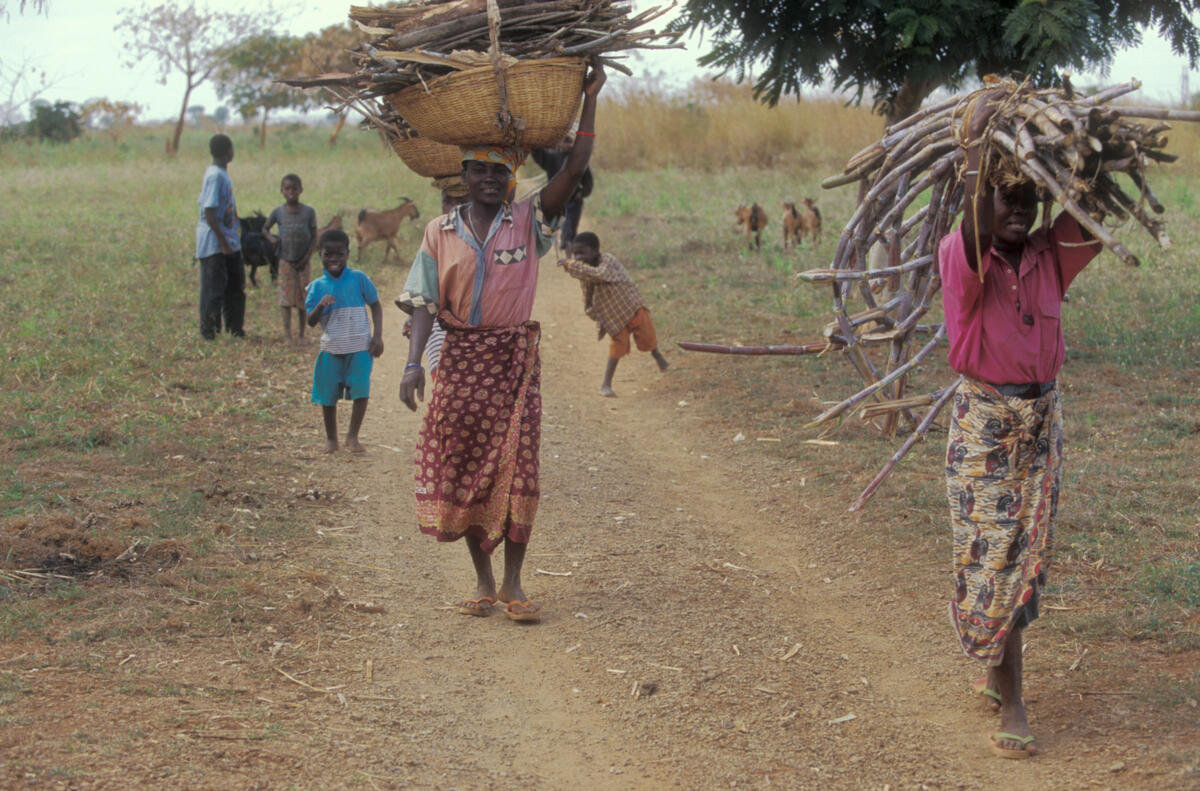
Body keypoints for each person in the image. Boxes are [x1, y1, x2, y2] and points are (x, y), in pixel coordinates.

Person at [396, 63, 606, 623]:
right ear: (463, 175)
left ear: (511, 177)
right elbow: (421, 301)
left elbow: (577, 165)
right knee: (465, 470)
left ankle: (514, 583)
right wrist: (413, 364)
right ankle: (483, 581)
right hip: (460, 363)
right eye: (479, 170)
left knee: (518, 470)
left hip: (514, 361)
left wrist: (590, 99)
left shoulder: (529, 220)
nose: (490, 179)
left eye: (499, 171)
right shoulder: (439, 233)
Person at [938, 93, 1101, 759]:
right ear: (980, 200)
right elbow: (976, 217)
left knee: (1025, 558)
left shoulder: (1049, 255)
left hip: (1041, 423)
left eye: (1028, 199)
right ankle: (1014, 698)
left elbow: (1095, 210)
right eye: (1004, 199)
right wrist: (983, 150)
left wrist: (1093, 152)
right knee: (998, 561)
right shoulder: (964, 256)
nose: (1018, 212)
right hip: (987, 428)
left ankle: (994, 665)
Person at [557, 231, 668, 396]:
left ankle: (657, 354)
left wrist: (570, 263)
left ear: (595, 251)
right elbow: (584, 285)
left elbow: (600, 274)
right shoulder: (584, 270)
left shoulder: (608, 261)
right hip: (613, 316)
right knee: (617, 347)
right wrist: (590, 310)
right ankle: (606, 385)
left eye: (583, 252)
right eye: (576, 253)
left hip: (632, 306)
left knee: (647, 337)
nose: (579, 257)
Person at [305, 229, 384, 454]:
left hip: (360, 348)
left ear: (347, 253)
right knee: (328, 395)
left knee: (361, 390)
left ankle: (352, 436)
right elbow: (310, 321)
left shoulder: (359, 279)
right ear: (319, 254)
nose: (333, 259)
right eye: (327, 254)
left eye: (339, 254)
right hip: (331, 350)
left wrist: (377, 336)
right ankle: (331, 439)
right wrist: (320, 306)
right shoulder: (316, 286)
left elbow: (376, 304)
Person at [195, 134, 245, 339]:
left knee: (235, 286)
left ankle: (235, 329)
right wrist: (223, 242)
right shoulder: (215, 176)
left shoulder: (221, 174)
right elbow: (209, 211)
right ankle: (209, 331)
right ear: (228, 152)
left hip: (230, 241)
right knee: (213, 290)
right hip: (215, 244)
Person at [265, 174, 318, 345]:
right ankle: (288, 335)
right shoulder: (278, 212)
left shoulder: (308, 212)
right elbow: (264, 229)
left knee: (303, 299)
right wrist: (271, 239)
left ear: (301, 190)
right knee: (286, 300)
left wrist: (306, 258)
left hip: (303, 263)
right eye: (287, 188)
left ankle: (302, 335)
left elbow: (314, 237)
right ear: (282, 191)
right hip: (285, 261)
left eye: (295, 188)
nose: (291, 192)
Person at [532, 131, 593, 251]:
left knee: (569, 229)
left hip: (573, 202)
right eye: (565, 141)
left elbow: (588, 182)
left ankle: (568, 254)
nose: (567, 144)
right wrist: (534, 142)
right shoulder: (552, 158)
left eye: (570, 141)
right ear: (559, 143)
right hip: (555, 201)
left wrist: (582, 193)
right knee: (546, 227)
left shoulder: (579, 160)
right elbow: (538, 154)